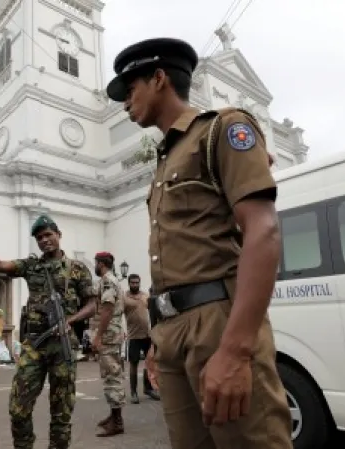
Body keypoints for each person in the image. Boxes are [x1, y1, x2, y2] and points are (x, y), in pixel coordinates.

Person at [105, 37, 292, 449]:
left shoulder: (224, 128)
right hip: (171, 328)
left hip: (218, 322)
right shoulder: (165, 158)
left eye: (130, 89)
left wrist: (236, 350)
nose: (124, 103)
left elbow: (264, 232)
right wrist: (161, 336)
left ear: (158, 79)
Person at [0, 214, 98, 449]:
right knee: (18, 407)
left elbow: (92, 304)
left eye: (48, 235)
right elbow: (0, 266)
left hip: (63, 344)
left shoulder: (77, 270)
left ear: (58, 235)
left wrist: (71, 319)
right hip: (34, 344)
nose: (44, 240)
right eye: (39, 237)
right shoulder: (32, 265)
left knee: (62, 410)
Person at [91, 251, 127, 437]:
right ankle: (114, 415)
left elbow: (107, 310)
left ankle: (117, 421)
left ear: (101, 264)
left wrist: (98, 336)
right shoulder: (110, 280)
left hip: (108, 335)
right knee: (110, 373)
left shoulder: (108, 281)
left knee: (112, 376)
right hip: (112, 333)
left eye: (95, 263)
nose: (94, 266)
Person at [123, 274, 160, 403]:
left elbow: (154, 310)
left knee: (149, 363)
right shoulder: (124, 298)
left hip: (147, 335)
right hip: (133, 336)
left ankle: (148, 389)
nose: (135, 285)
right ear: (129, 283)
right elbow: (117, 315)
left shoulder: (145, 296)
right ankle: (133, 392)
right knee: (133, 364)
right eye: (132, 283)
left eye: (137, 282)